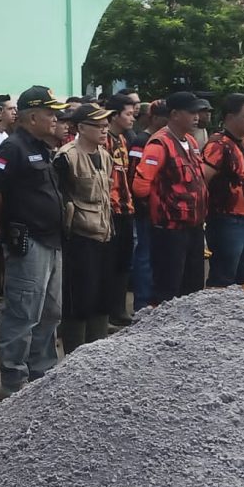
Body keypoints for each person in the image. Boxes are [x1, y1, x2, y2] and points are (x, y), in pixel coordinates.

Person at [0, 86, 67, 399]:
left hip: (51, 240)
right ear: (32, 116)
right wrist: (6, 225)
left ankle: (41, 373)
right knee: (23, 313)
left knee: (50, 311)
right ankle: (14, 382)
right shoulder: (13, 148)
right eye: (50, 112)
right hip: (29, 240)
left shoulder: (43, 147)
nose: (55, 118)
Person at [132, 91, 209, 305]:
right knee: (168, 288)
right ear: (174, 114)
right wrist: (161, 208)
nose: (196, 117)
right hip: (170, 229)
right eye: (191, 112)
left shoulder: (191, 142)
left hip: (193, 225)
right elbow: (140, 186)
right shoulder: (159, 143)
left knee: (193, 286)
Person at [53, 105, 115, 354]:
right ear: (81, 128)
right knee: (78, 299)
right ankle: (75, 355)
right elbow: (60, 198)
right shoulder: (66, 157)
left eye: (105, 125)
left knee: (102, 297)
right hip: (78, 236)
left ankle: (97, 355)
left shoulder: (105, 155)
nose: (104, 130)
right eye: (99, 126)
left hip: (104, 233)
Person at [201, 94, 244, 291]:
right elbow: (202, 180)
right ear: (229, 117)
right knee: (224, 274)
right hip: (226, 218)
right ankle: (217, 318)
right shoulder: (218, 145)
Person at [128, 100, 168, 311]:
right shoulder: (141, 141)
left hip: (161, 212)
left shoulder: (167, 140)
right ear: (153, 117)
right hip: (144, 210)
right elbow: (134, 175)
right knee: (144, 258)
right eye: (164, 116)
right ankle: (142, 305)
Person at [104, 96, 137, 326]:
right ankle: (107, 312)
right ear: (114, 115)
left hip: (126, 207)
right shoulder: (103, 140)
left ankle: (118, 309)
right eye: (127, 113)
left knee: (124, 262)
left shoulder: (122, 140)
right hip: (110, 210)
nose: (132, 117)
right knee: (109, 263)